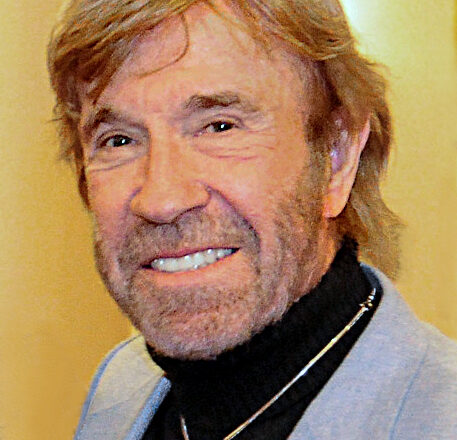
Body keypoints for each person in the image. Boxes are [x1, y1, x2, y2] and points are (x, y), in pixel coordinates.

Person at [47, 0, 457, 438]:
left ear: (336, 158)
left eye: (220, 126)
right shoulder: (119, 389)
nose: (161, 199)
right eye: (118, 140)